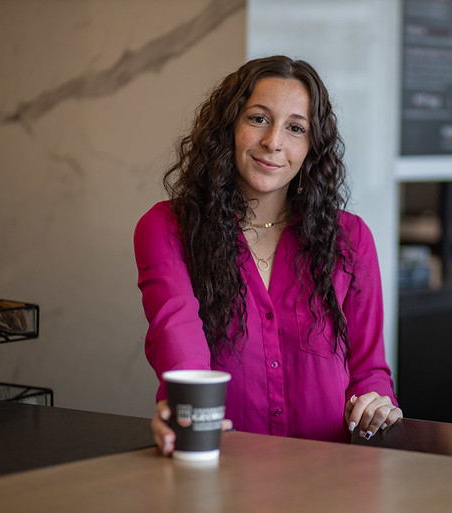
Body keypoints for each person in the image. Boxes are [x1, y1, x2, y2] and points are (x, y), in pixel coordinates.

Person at [134, 55, 402, 456]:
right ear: (229, 126)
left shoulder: (350, 239)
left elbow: (369, 371)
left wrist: (376, 404)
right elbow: (178, 336)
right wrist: (185, 405)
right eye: (258, 118)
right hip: (218, 469)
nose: (274, 141)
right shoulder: (168, 227)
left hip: (328, 481)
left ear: (312, 147)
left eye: (296, 128)